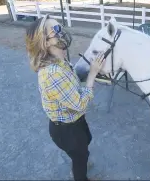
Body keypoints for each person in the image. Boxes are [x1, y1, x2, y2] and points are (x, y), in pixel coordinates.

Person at [25, 15, 105, 181]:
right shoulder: (52, 73)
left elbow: (71, 77)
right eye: (56, 30)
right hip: (67, 130)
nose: (62, 32)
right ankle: (80, 174)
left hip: (74, 122)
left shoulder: (59, 59)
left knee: (84, 145)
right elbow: (80, 104)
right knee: (79, 156)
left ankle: (80, 162)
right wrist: (92, 74)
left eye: (60, 27)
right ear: (45, 42)